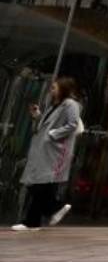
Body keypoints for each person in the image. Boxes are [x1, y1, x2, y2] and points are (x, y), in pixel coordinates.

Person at [12, 77, 82, 232]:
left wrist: (53, 134)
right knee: (37, 185)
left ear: (63, 89)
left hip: (55, 151)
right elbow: (45, 124)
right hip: (44, 150)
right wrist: (38, 116)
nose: (51, 90)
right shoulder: (54, 106)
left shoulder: (70, 104)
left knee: (40, 185)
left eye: (54, 87)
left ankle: (50, 211)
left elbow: (73, 124)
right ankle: (40, 217)